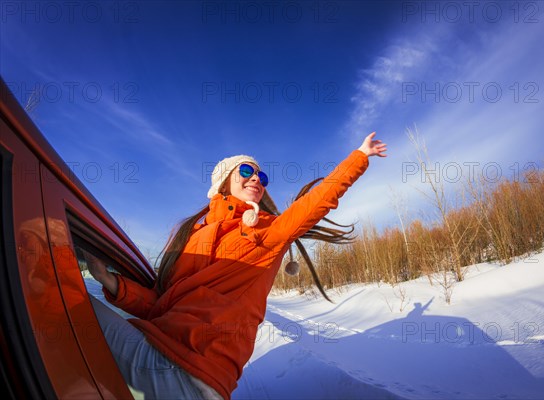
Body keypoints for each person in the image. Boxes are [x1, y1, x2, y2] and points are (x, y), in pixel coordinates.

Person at [84, 132, 387, 399]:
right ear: (224, 182)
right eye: (246, 171)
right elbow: (164, 304)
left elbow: (313, 204)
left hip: (191, 373)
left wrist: (359, 157)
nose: (256, 178)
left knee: (67, 306)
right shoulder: (194, 234)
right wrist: (110, 282)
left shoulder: (266, 231)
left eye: (261, 177)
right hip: (157, 353)